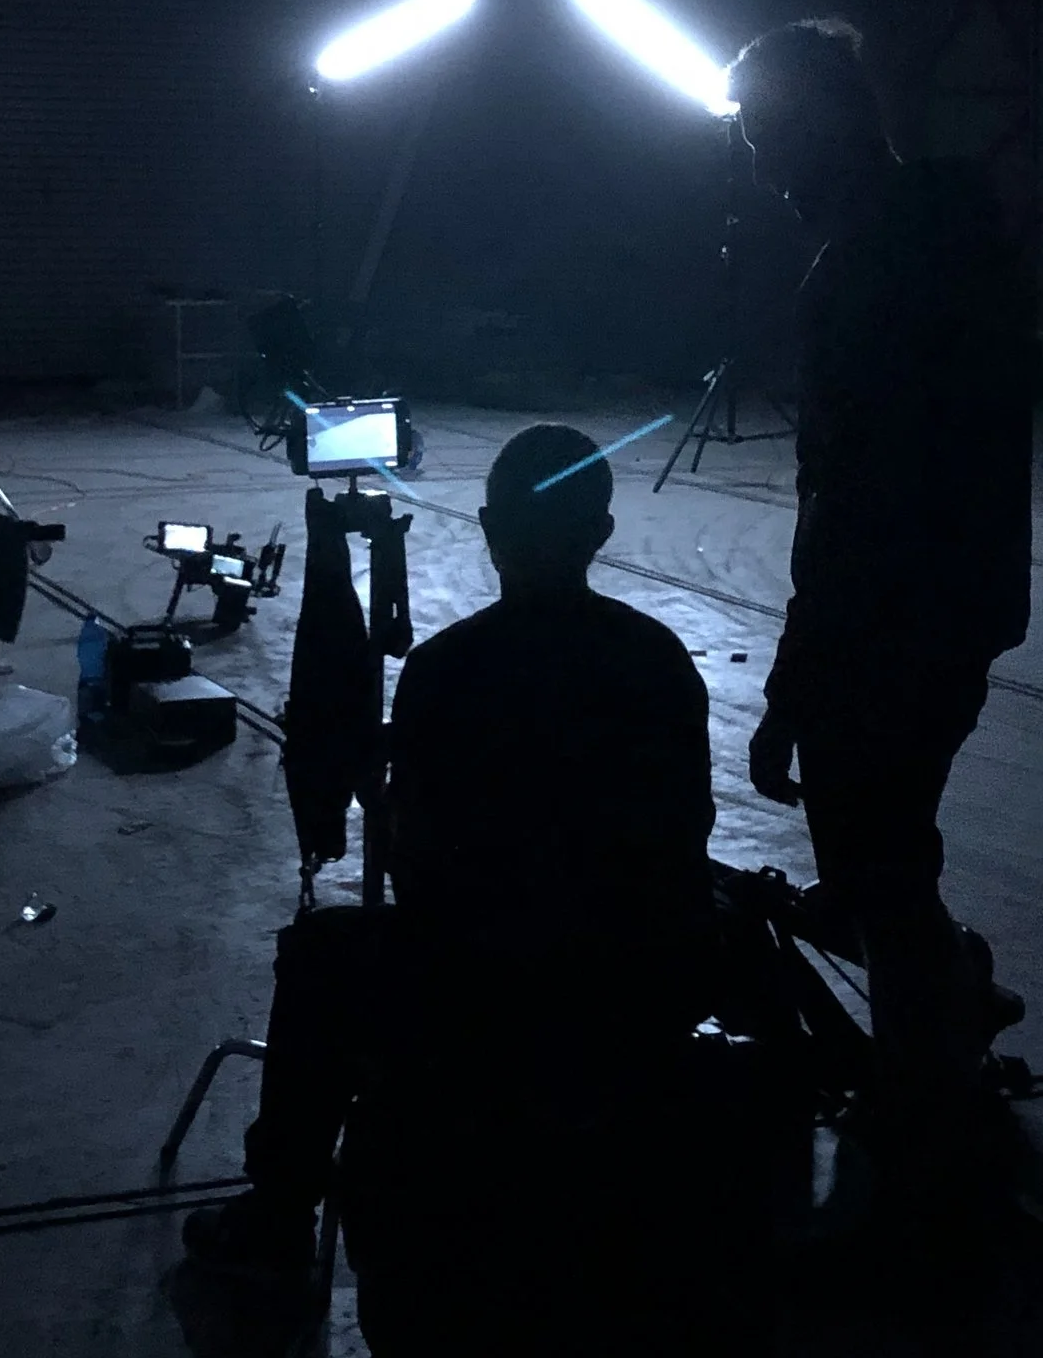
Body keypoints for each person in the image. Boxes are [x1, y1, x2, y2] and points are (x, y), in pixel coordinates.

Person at [186, 422, 717, 1275]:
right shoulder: (657, 660)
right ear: (602, 535)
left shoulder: (447, 671)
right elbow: (686, 831)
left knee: (322, 958)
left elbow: (427, 876)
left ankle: (278, 1217)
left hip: (491, 987)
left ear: (488, 528)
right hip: (640, 979)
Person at [728, 15, 1035, 1167]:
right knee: (893, 850)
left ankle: (919, 1126)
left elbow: (849, 496)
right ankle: (959, 999)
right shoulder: (962, 240)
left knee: (876, 874)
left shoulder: (862, 268)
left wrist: (795, 680)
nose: (759, 165)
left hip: (887, 619)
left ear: (818, 130)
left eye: (766, 134)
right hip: (967, 600)